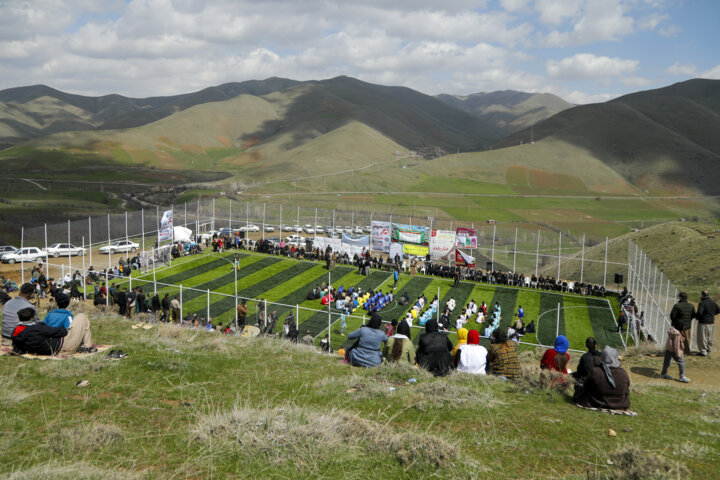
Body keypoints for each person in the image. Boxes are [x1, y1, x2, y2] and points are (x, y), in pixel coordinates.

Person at [573, 346, 631, 410]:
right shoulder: (623, 373)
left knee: (578, 387)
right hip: (620, 404)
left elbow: (586, 386)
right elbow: (626, 390)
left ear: (602, 357)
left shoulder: (595, 371)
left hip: (597, 402)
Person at [696, 290, 719, 356]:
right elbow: (718, 310)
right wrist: (711, 314)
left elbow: (700, 313)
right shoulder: (713, 302)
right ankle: (709, 349)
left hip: (703, 322)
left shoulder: (702, 303)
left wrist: (697, 317)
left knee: (702, 337)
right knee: (709, 337)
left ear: (703, 295)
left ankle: (703, 351)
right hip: (711, 322)